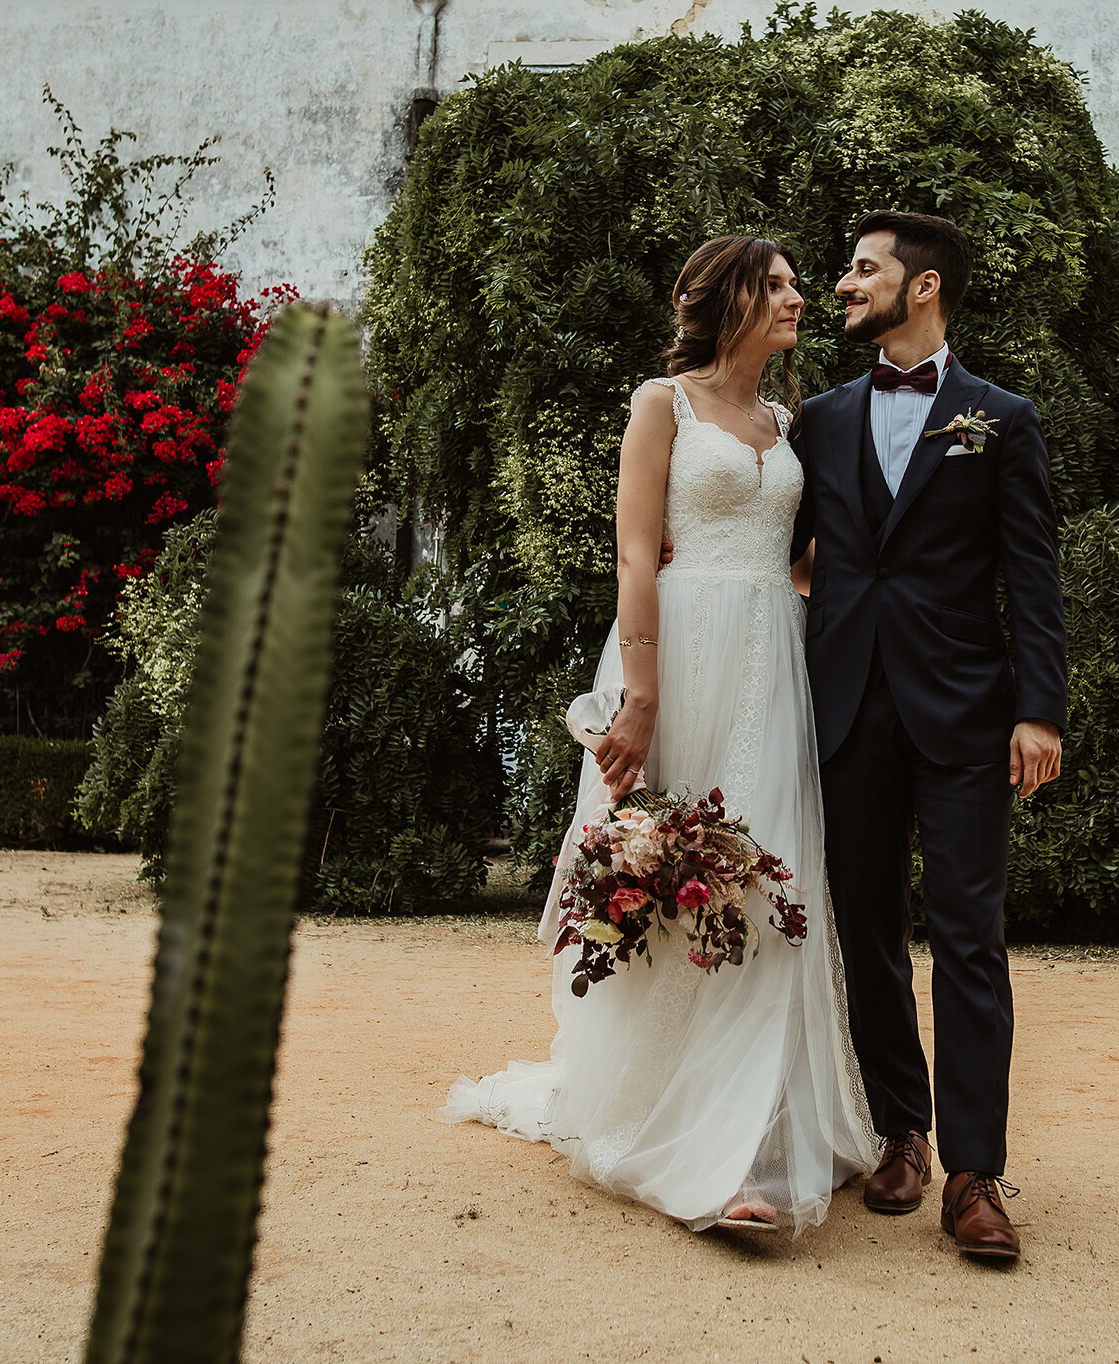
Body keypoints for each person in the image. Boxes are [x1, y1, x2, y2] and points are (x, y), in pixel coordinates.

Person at [441, 234, 878, 1235]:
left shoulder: (791, 420)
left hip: (775, 651)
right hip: (677, 654)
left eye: (797, 284)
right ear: (725, 298)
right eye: (775, 284)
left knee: (766, 876)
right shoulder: (661, 403)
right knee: (672, 871)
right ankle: (677, 1128)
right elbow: (636, 555)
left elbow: (809, 559)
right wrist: (639, 695)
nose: (798, 297)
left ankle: (764, 1132)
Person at [789, 210, 1067, 1265]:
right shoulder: (818, 415)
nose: (842, 283)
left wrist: (1039, 708)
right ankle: (899, 1133)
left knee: (967, 934)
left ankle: (974, 1173)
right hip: (847, 704)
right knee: (867, 928)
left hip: (966, 712)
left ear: (924, 286)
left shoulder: (1001, 417)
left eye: (863, 268)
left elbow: (1032, 573)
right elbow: (802, 548)